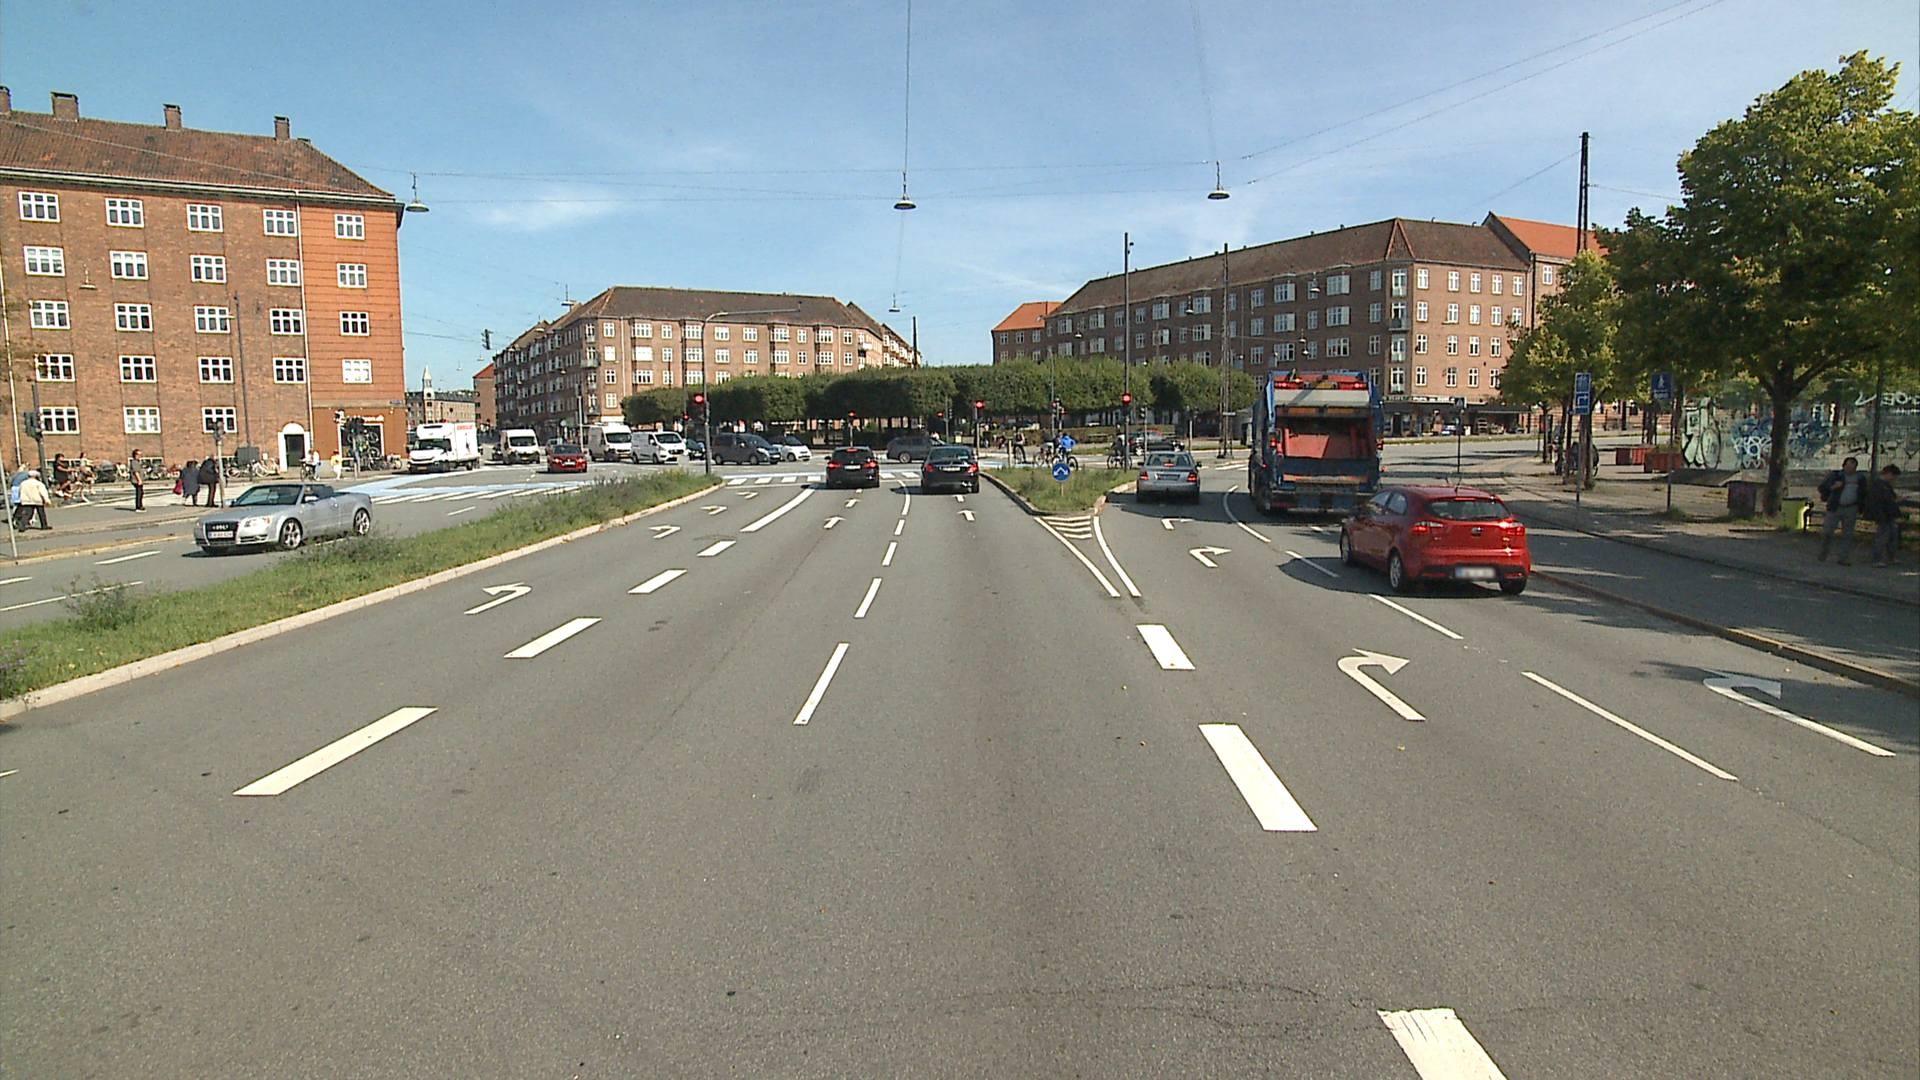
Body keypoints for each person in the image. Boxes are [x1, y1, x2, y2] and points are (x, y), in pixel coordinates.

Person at [1817, 456, 1865, 564]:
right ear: (1844, 466)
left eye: (1852, 467)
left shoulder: (1860, 478)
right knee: (1827, 532)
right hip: (1835, 507)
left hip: (1851, 508)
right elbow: (1822, 488)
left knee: (1847, 534)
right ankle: (1823, 553)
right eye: (1848, 467)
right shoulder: (1836, 475)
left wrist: (1861, 507)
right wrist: (1833, 487)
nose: (1850, 469)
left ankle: (1843, 557)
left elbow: (1863, 493)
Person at [1864, 464, 1903, 568]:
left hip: (1889, 514)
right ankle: (1877, 559)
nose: (1894, 479)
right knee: (1882, 537)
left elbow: (1891, 498)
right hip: (1882, 514)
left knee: (1892, 536)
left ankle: (1891, 556)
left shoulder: (1886, 485)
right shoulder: (1878, 485)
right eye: (1893, 476)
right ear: (1889, 474)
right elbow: (1878, 502)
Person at [128, 448, 147, 512]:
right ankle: (138, 507)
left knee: (141, 493)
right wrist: (139, 480)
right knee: (139, 493)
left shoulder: (137, 462)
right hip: (136, 480)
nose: (140, 456)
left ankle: (140, 506)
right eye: (138, 455)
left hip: (138, 480)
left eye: (140, 455)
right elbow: (136, 472)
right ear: (135, 455)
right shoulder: (134, 462)